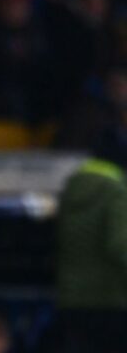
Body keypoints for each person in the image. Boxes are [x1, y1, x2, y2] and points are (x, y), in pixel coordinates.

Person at [56, 125, 127, 353]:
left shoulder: (71, 187)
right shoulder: (116, 191)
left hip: (70, 298)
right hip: (109, 300)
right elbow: (120, 245)